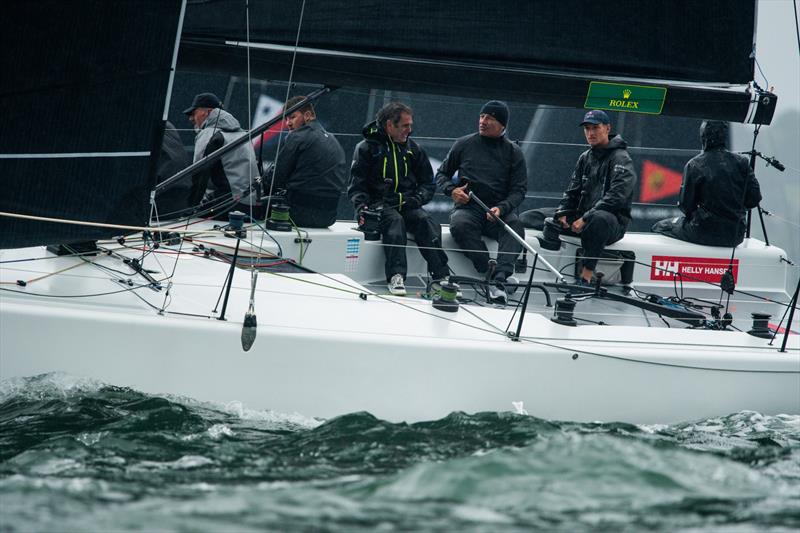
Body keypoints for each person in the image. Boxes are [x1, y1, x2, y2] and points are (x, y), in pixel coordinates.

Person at [348, 101, 449, 296]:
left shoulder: (414, 150)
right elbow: (356, 186)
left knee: (425, 221)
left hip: (408, 203)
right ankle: (396, 276)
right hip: (378, 206)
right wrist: (363, 208)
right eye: (405, 126)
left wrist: (418, 199)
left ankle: (441, 276)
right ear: (389, 126)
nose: (409, 130)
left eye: (410, 125)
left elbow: (428, 184)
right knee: (395, 222)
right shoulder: (366, 149)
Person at [435, 100, 527, 304]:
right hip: (469, 209)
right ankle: (492, 275)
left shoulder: (514, 152)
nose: (483, 121)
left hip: (498, 211)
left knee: (516, 227)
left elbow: (519, 190)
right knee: (459, 225)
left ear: (502, 125)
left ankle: (501, 276)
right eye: (482, 116)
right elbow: (441, 174)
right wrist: (452, 191)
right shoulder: (463, 144)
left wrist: (502, 208)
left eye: (490, 118)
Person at [552, 109, 635, 284]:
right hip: (582, 216)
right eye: (587, 129)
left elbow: (617, 197)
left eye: (595, 128)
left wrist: (585, 218)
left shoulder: (621, 158)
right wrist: (562, 212)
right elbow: (572, 191)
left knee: (599, 220)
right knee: (534, 217)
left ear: (607, 128)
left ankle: (586, 275)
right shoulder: (585, 157)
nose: (590, 133)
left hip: (612, 222)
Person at [652, 120, 761, 247]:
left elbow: (686, 206)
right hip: (735, 235)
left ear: (703, 137)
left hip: (703, 232)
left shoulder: (694, 165)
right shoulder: (742, 162)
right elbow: (754, 199)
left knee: (659, 227)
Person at [266, 96, 348, 227]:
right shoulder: (333, 140)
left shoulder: (297, 137)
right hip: (328, 218)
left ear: (308, 115)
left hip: (296, 214)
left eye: (292, 117)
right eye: (286, 119)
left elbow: (276, 179)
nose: (288, 123)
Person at [184, 92, 263, 220]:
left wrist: (188, 208)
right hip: (254, 206)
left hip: (232, 205)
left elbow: (199, 175)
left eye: (193, 113)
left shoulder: (209, 134)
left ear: (207, 112)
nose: (191, 119)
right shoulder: (242, 133)